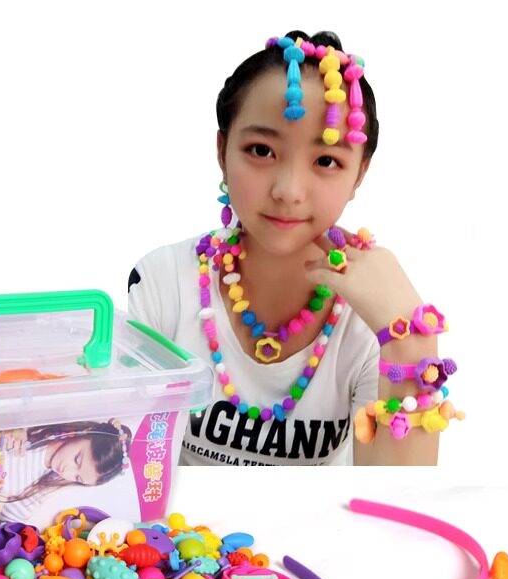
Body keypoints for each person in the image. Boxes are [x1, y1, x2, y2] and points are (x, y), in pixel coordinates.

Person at [128, 30, 462, 466]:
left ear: (359, 174)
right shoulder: (164, 283)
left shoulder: (371, 316)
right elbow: (123, 466)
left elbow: (398, 497)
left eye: (326, 161)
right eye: (261, 150)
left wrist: (409, 340)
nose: (288, 190)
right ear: (222, 151)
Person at [0, 420, 132, 521]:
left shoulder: (46, 484)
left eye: (77, 478)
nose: (67, 472)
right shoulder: (31, 430)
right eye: (77, 460)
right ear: (85, 432)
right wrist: (13, 425)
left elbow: (9, 520)